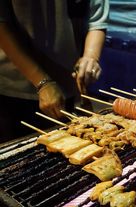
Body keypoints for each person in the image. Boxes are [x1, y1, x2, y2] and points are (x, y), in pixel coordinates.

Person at [0, 0, 109, 143]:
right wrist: (42, 82)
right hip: (14, 88)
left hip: (65, 85)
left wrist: (91, 56)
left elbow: (96, 20)